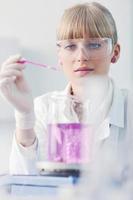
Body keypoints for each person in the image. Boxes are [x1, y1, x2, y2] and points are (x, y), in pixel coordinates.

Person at [0, 2, 132, 175]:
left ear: (114, 52)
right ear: (60, 57)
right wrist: (25, 118)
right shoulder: (44, 109)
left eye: (93, 44)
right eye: (70, 46)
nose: (81, 56)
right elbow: (23, 186)